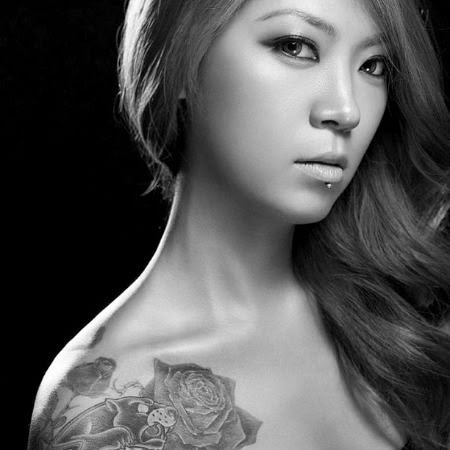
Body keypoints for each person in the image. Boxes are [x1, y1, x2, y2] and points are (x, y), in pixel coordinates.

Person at [27, 0, 450, 448]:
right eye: (295, 46)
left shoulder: (409, 315)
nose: (347, 110)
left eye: (373, 66)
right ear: (181, 61)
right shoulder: (104, 416)